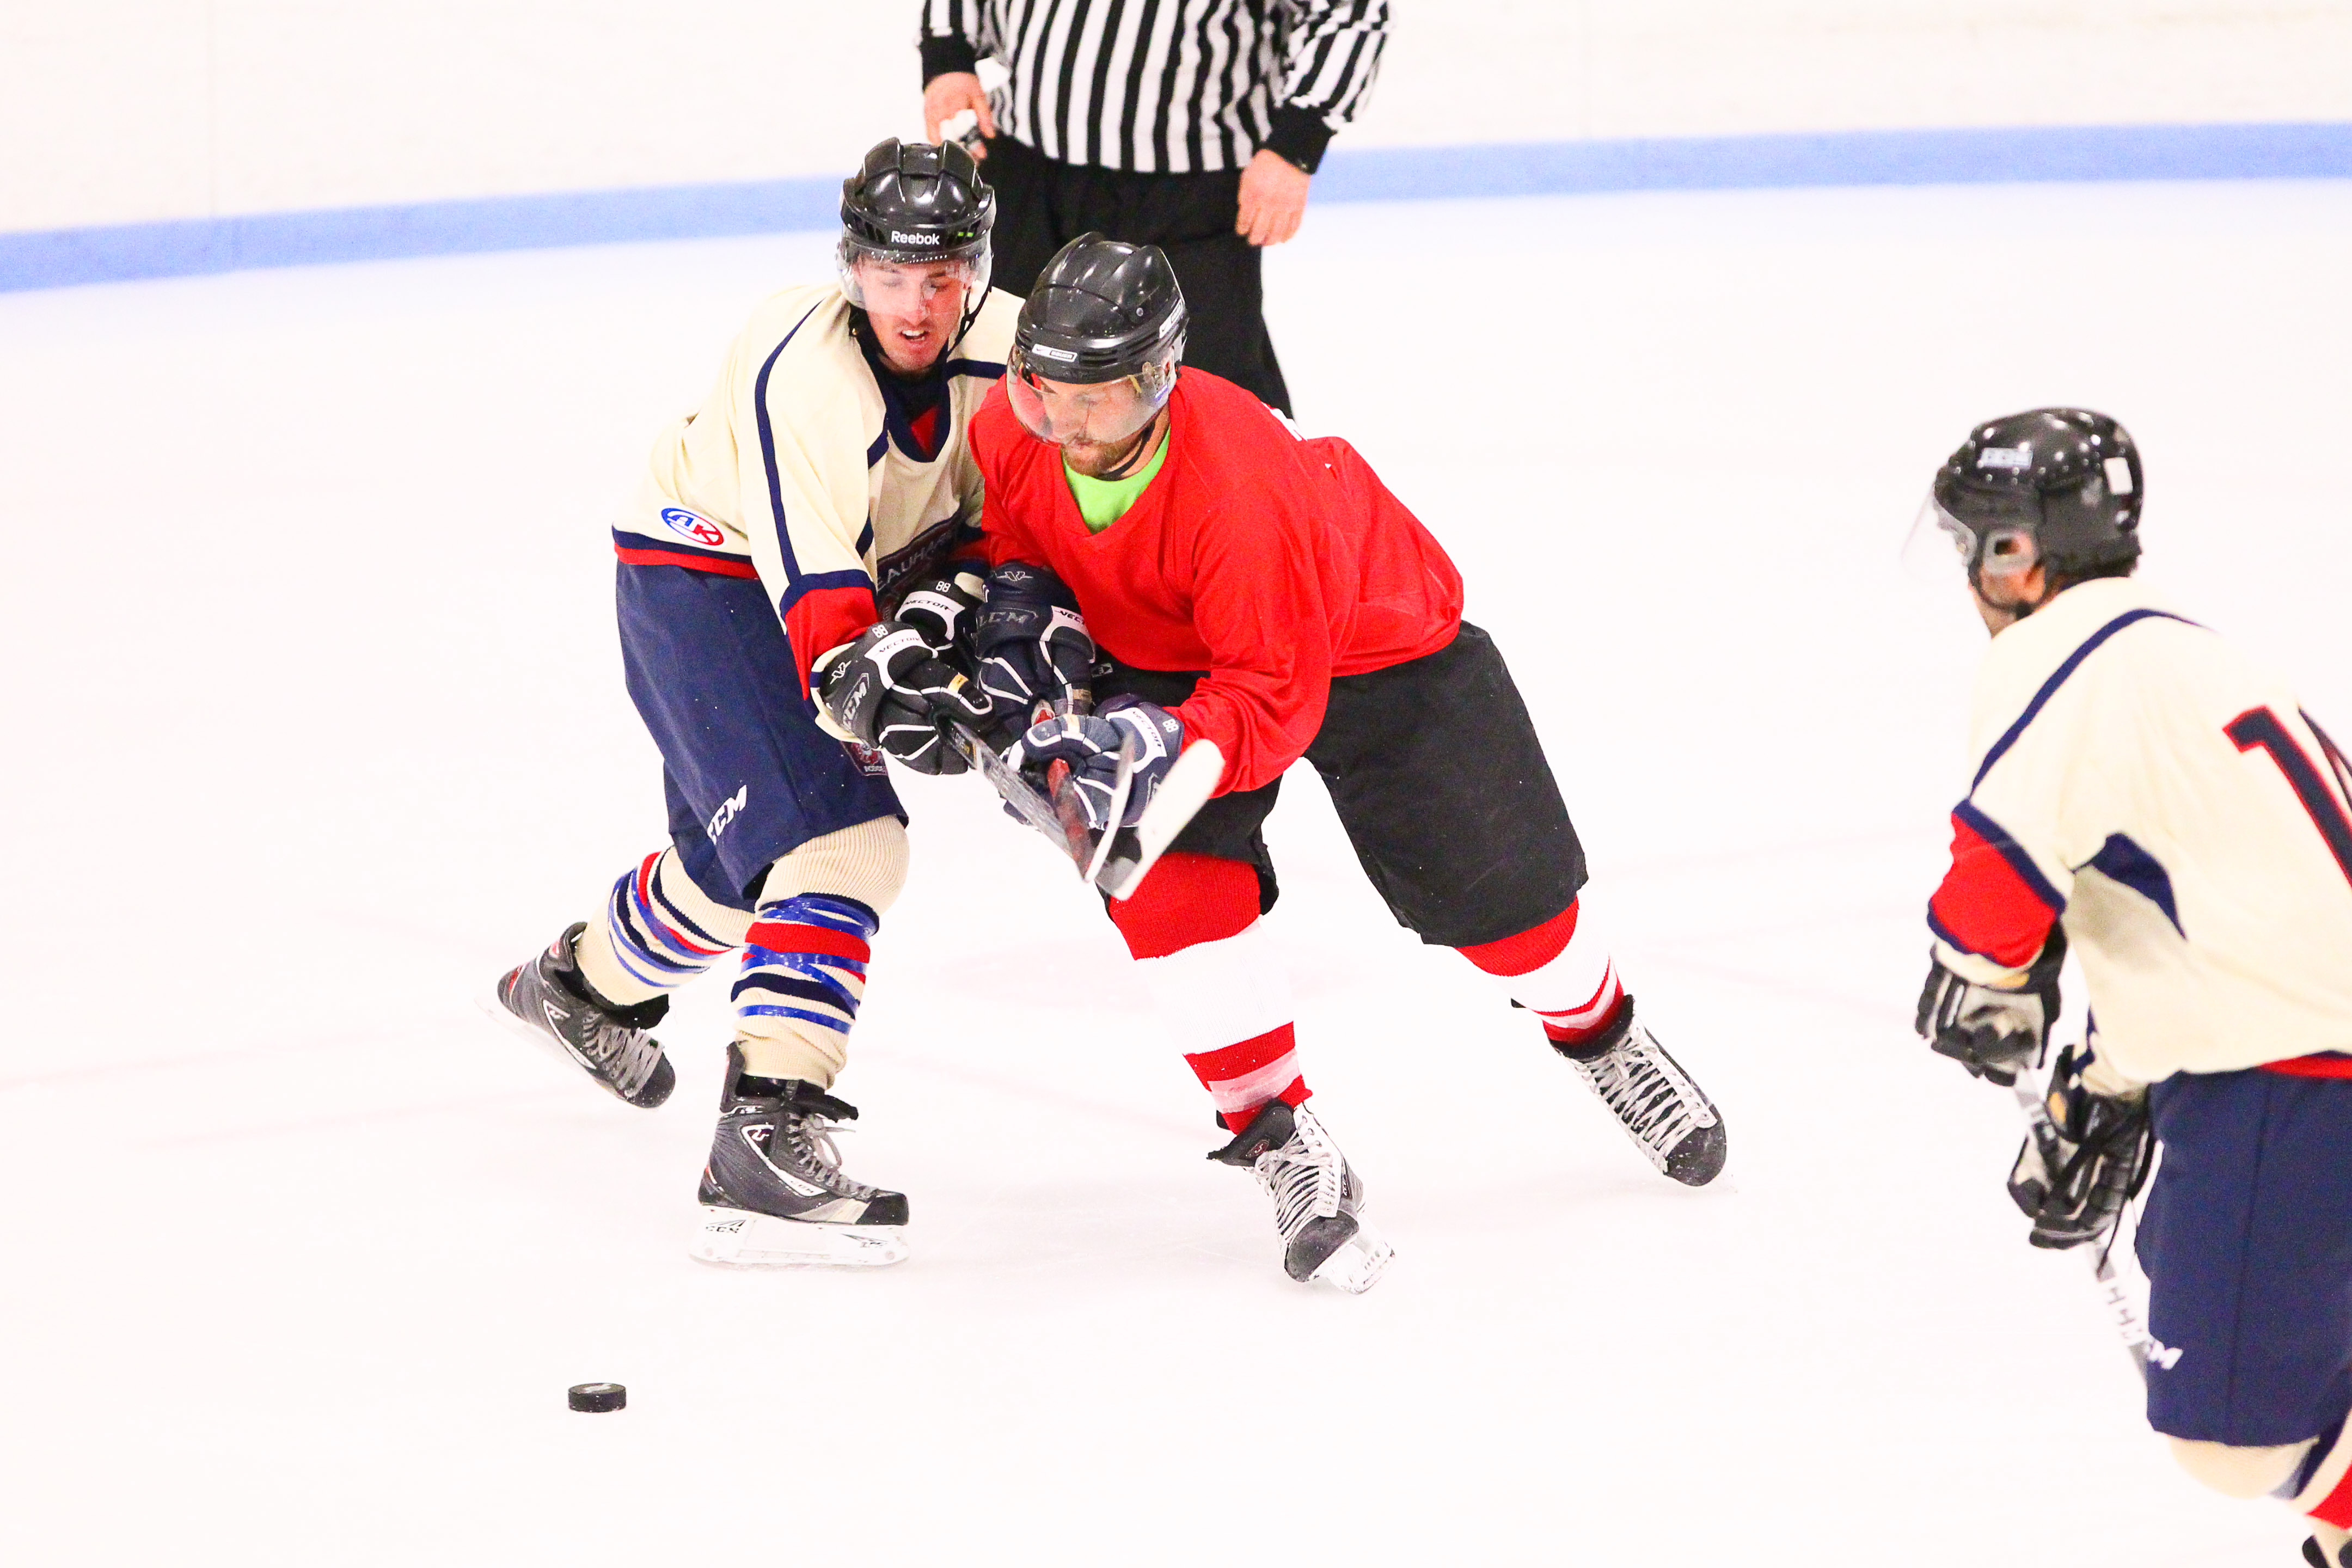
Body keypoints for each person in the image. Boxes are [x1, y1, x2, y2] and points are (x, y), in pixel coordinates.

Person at [911, 235, 1728, 1291]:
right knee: (1163, 890)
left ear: (1156, 380)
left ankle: (1603, 1033)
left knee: (1508, 905)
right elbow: (1020, 532)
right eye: (1045, 392)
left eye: (1097, 400)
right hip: (1171, 648)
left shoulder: (1238, 495)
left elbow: (1273, 701)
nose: (1064, 425)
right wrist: (1012, 609)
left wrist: (1156, 749)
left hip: (1365, 647)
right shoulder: (1016, 426)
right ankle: (1281, 1137)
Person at [486, 138, 1014, 1270]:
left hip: (847, 578)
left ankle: (583, 986)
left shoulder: (1011, 350)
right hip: (706, 572)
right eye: (891, 273)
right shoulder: (804, 369)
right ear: (852, 267)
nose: (917, 304)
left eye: (943, 275)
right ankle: (767, 1124)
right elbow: (819, 593)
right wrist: (878, 684)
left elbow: (1011, 528)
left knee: (743, 866)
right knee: (842, 842)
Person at [1907, 409, 2352, 1566]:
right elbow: (2217, 906)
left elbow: (1996, 886)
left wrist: (1981, 977)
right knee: (2198, 1278)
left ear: (2022, 557)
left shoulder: (2049, 656)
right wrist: (2109, 1079)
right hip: (2295, 1050)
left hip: (2298, 1073)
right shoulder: (2189, 650)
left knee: (2232, 1434)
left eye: (1980, 545)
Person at [915, 0, 1392, 415]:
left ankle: (1254, 515)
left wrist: (1295, 144)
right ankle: (1003, 510)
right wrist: (949, 54)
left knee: (1208, 383)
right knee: (1003, 361)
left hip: (1191, 185)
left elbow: (1350, 12)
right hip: (1031, 165)